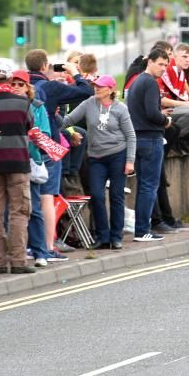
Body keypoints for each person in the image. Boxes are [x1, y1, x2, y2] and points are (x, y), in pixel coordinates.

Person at [25, 50, 93, 261]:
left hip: (24, 148)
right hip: (46, 147)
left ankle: (27, 246)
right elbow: (86, 91)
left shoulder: (21, 85)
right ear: (44, 65)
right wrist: (75, 72)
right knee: (47, 197)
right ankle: (46, 246)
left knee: (27, 200)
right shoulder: (51, 87)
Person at [62, 75, 136, 249]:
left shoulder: (120, 109)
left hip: (118, 154)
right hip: (96, 157)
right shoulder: (89, 103)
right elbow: (68, 120)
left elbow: (131, 135)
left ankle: (116, 237)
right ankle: (103, 237)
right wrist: (65, 130)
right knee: (96, 195)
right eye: (95, 86)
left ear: (111, 89)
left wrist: (130, 161)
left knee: (117, 196)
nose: (97, 88)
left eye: (101, 86)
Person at [0, 61, 35, 275]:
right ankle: (18, 261)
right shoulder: (22, 103)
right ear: (10, 80)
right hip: (18, 163)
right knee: (19, 212)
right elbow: (30, 125)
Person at [10, 72, 56, 267]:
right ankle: (17, 251)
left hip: (31, 160)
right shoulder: (8, 105)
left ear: (28, 87)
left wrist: (31, 135)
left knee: (34, 208)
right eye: (14, 84)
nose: (17, 87)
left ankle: (40, 252)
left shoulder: (37, 106)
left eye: (21, 84)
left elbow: (46, 134)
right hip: (11, 160)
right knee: (13, 209)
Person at [126, 49, 172, 242]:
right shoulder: (150, 83)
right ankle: (142, 230)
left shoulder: (137, 81)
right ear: (150, 62)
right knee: (149, 185)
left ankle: (141, 228)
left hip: (137, 137)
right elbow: (152, 113)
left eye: (166, 65)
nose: (163, 69)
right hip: (151, 138)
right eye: (160, 64)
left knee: (144, 185)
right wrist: (166, 120)